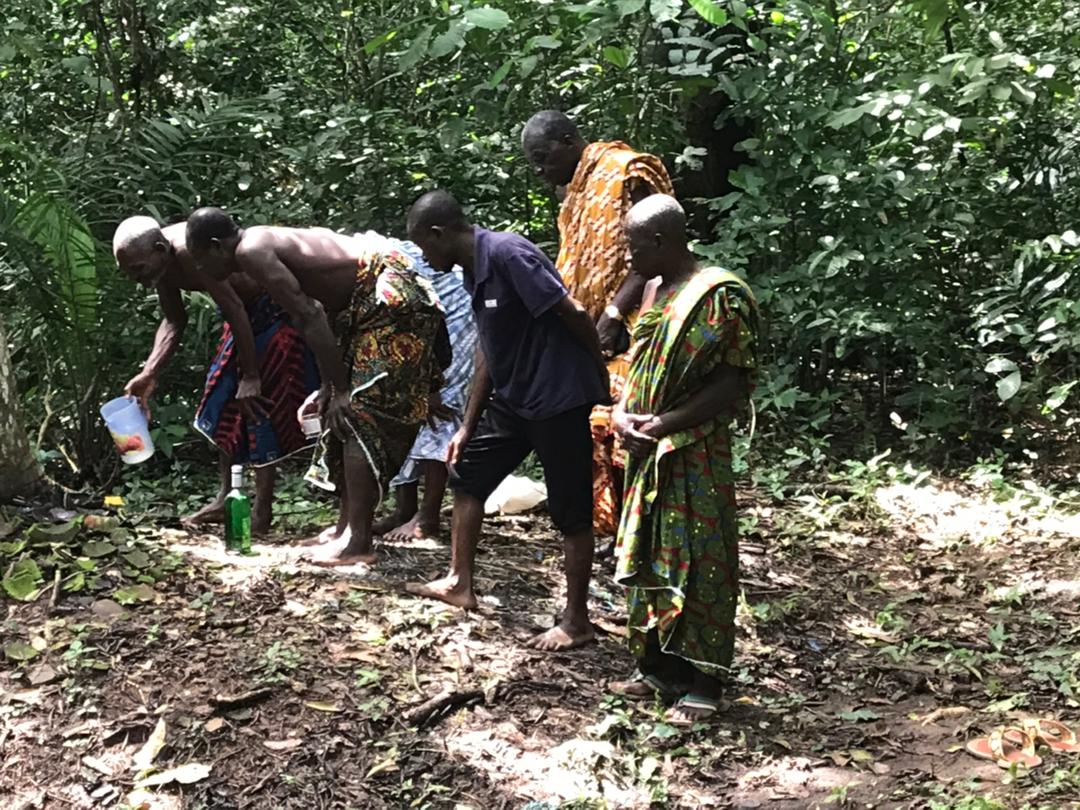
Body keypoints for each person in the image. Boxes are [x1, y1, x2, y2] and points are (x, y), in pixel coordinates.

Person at [404, 190, 609, 651]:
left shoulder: (507, 253)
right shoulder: (472, 269)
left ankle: (576, 621)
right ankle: (460, 583)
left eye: (423, 245)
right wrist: (467, 425)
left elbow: (571, 311)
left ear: (439, 234)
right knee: (468, 473)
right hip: (513, 399)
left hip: (557, 397)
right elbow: (487, 348)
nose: (424, 256)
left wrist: (598, 374)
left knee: (570, 509)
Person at [184, 208, 448, 565]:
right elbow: (321, 305)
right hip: (360, 306)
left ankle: (358, 542)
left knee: (357, 413)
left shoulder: (251, 251)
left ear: (216, 246)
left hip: (387, 293)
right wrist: (328, 386)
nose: (200, 271)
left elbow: (308, 314)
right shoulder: (257, 242)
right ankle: (345, 531)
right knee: (337, 413)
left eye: (200, 260)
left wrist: (340, 388)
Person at [608, 195, 758, 724]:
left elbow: (734, 382)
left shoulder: (717, 294)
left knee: (697, 557)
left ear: (661, 242)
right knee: (651, 551)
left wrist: (666, 424)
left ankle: (704, 681)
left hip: (693, 451)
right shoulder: (651, 289)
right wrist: (624, 413)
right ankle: (658, 667)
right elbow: (638, 366)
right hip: (646, 452)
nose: (629, 260)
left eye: (632, 248)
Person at [522, 110, 675, 540]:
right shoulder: (576, 194)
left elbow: (654, 251)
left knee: (629, 429)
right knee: (596, 430)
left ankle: (640, 533)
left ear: (569, 140)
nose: (539, 170)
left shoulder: (624, 173)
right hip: (590, 333)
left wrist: (612, 313)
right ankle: (614, 530)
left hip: (635, 325)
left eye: (542, 157)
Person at [113, 216, 319, 534]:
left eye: (138, 269)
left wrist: (251, 376)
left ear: (158, 249)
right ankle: (226, 497)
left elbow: (235, 308)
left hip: (272, 312)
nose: (136, 279)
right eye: (128, 273)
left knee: (257, 406)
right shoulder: (160, 261)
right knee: (221, 402)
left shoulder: (187, 252)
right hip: (241, 320)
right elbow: (173, 320)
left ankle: (262, 511)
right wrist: (148, 372)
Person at [373, 240, 477, 541]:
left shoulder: (390, 272)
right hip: (418, 324)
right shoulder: (367, 272)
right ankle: (404, 508)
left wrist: (431, 385)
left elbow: (422, 321)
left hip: (453, 321)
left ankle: (428, 515)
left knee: (441, 408)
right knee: (403, 406)